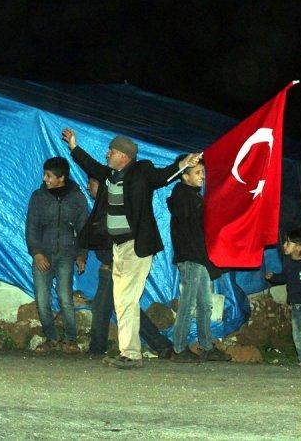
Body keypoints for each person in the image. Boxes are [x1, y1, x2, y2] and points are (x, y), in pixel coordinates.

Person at [62, 127, 199, 369]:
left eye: (111, 151)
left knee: (124, 299)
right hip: (117, 247)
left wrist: (182, 165)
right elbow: (91, 165)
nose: (107, 154)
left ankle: (131, 354)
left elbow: (162, 177)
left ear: (124, 155)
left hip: (137, 246)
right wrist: (74, 146)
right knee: (125, 300)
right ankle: (131, 351)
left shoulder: (141, 171)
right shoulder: (110, 175)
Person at [81, 177, 174, 359]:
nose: (88, 187)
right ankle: (161, 344)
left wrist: (112, 261)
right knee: (121, 307)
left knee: (106, 308)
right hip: (110, 265)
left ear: (102, 186)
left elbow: (117, 238)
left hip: (116, 264)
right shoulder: (105, 206)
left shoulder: (113, 207)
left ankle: (98, 349)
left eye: (91, 183)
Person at [168, 159, 230, 363]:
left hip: (200, 257)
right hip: (191, 257)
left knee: (205, 304)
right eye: (197, 172)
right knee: (188, 303)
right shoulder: (182, 196)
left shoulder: (194, 197)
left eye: (202, 172)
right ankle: (178, 348)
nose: (202, 176)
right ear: (185, 176)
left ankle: (206, 346)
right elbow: (191, 226)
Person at [25, 157, 89, 354]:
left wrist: (82, 255)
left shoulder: (77, 198)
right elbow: (31, 227)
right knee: (42, 299)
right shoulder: (38, 197)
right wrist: (36, 253)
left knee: (64, 297)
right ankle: (51, 338)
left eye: (49, 176)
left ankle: (71, 340)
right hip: (42, 255)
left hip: (66, 255)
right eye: (45, 174)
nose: (45, 179)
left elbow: (84, 229)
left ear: (61, 178)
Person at [266, 229, 301, 367]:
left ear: (299, 247)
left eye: (288, 243)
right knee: (297, 335)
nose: (284, 245)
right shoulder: (288, 262)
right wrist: (274, 278)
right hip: (295, 304)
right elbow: (285, 277)